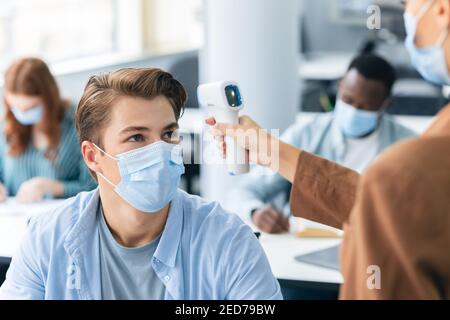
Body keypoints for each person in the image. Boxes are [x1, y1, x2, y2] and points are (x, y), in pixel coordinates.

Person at [208, 0, 450, 299]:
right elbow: (374, 202)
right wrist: (270, 152)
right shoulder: (318, 135)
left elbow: (384, 205)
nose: (407, 16)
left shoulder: (406, 161)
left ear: (441, 10)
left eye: (408, 4)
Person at [0, 68, 282, 300]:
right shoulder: (47, 238)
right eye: (137, 137)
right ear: (92, 156)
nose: (160, 150)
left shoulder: (228, 241)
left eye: (169, 134)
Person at [228, 54, 416, 233]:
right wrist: (255, 211)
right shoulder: (307, 133)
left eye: (365, 107)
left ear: (386, 105)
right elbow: (245, 190)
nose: (353, 111)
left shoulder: (409, 147)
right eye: (347, 100)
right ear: (340, 88)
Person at [0, 57, 96, 203]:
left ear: (49, 97)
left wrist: (53, 187)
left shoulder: (77, 123)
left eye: (30, 108)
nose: (22, 114)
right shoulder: (7, 125)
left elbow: (94, 188)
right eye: (16, 108)